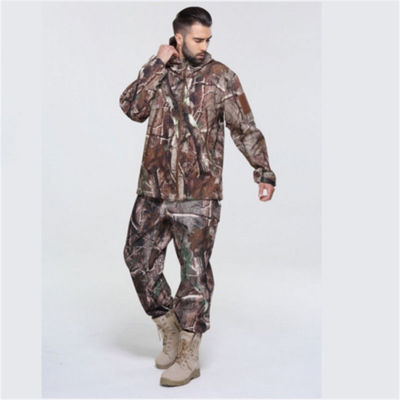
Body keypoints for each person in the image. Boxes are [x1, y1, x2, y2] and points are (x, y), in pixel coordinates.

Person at [119, 6, 276, 387]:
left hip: (199, 194)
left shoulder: (222, 77)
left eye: (208, 39)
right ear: (178, 38)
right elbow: (132, 108)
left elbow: (244, 128)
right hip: (153, 190)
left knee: (195, 275)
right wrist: (156, 63)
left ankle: (189, 355)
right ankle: (169, 328)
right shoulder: (159, 72)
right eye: (197, 39)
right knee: (137, 259)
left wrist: (263, 170)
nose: (204, 46)